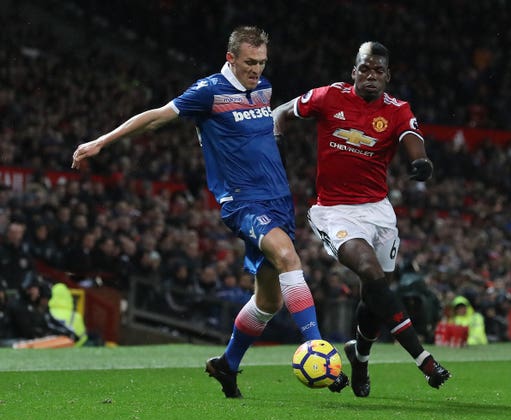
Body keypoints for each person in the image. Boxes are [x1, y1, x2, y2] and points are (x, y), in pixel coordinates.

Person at [71, 26, 348, 398]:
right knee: (287, 257)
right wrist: (101, 141)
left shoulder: (263, 88)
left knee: (269, 300)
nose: (256, 69)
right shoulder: (208, 91)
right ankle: (319, 352)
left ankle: (227, 365)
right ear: (230, 58)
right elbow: (156, 116)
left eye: (262, 62)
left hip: (279, 200)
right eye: (250, 62)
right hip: (243, 202)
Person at [272, 41, 451, 397]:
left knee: (374, 294)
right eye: (364, 69)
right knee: (369, 271)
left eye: (378, 71)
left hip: (379, 212)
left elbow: (411, 136)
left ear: (388, 76)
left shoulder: (397, 109)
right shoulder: (327, 97)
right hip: (335, 210)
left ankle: (360, 355)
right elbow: (280, 112)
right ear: (354, 71)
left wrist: (421, 160)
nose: (371, 76)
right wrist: (276, 141)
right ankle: (423, 358)